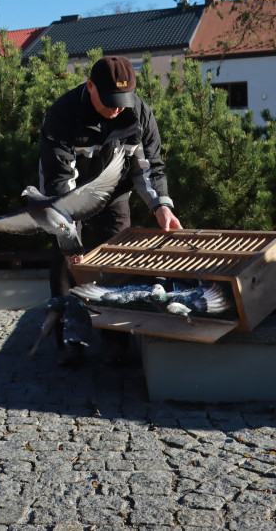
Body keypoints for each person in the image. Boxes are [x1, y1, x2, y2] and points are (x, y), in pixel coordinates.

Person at [40, 55, 182, 364]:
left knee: (119, 263)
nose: (117, 107)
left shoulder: (140, 113)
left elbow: (149, 168)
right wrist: (69, 238)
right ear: (90, 86)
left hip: (115, 195)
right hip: (69, 197)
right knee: (67, 263)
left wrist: (162, 207)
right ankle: (71, 340)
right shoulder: (62, 115)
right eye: (109, 100)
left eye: (123, 99)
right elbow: (59, 180)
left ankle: (116, 339)